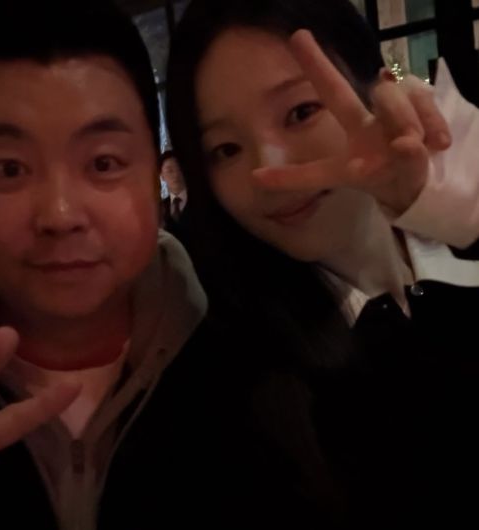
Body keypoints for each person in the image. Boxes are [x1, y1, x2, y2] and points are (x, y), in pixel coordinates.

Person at [0, 1, 273, 528]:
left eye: (103, 163)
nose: (60, 216)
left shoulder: (252, 352)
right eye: (8, 168)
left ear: (155, 172)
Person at [166, 0, 479, 527]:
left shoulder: (464, 242)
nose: (269, 171)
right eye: (225, 149)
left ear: (380, 91)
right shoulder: (223, 384)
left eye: (300, 113)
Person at [159, 150, 187, 232]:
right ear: (162, 175)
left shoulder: (201, 201)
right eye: (169, 171)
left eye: (180, 169)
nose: (176, 175)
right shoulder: (161, 208)